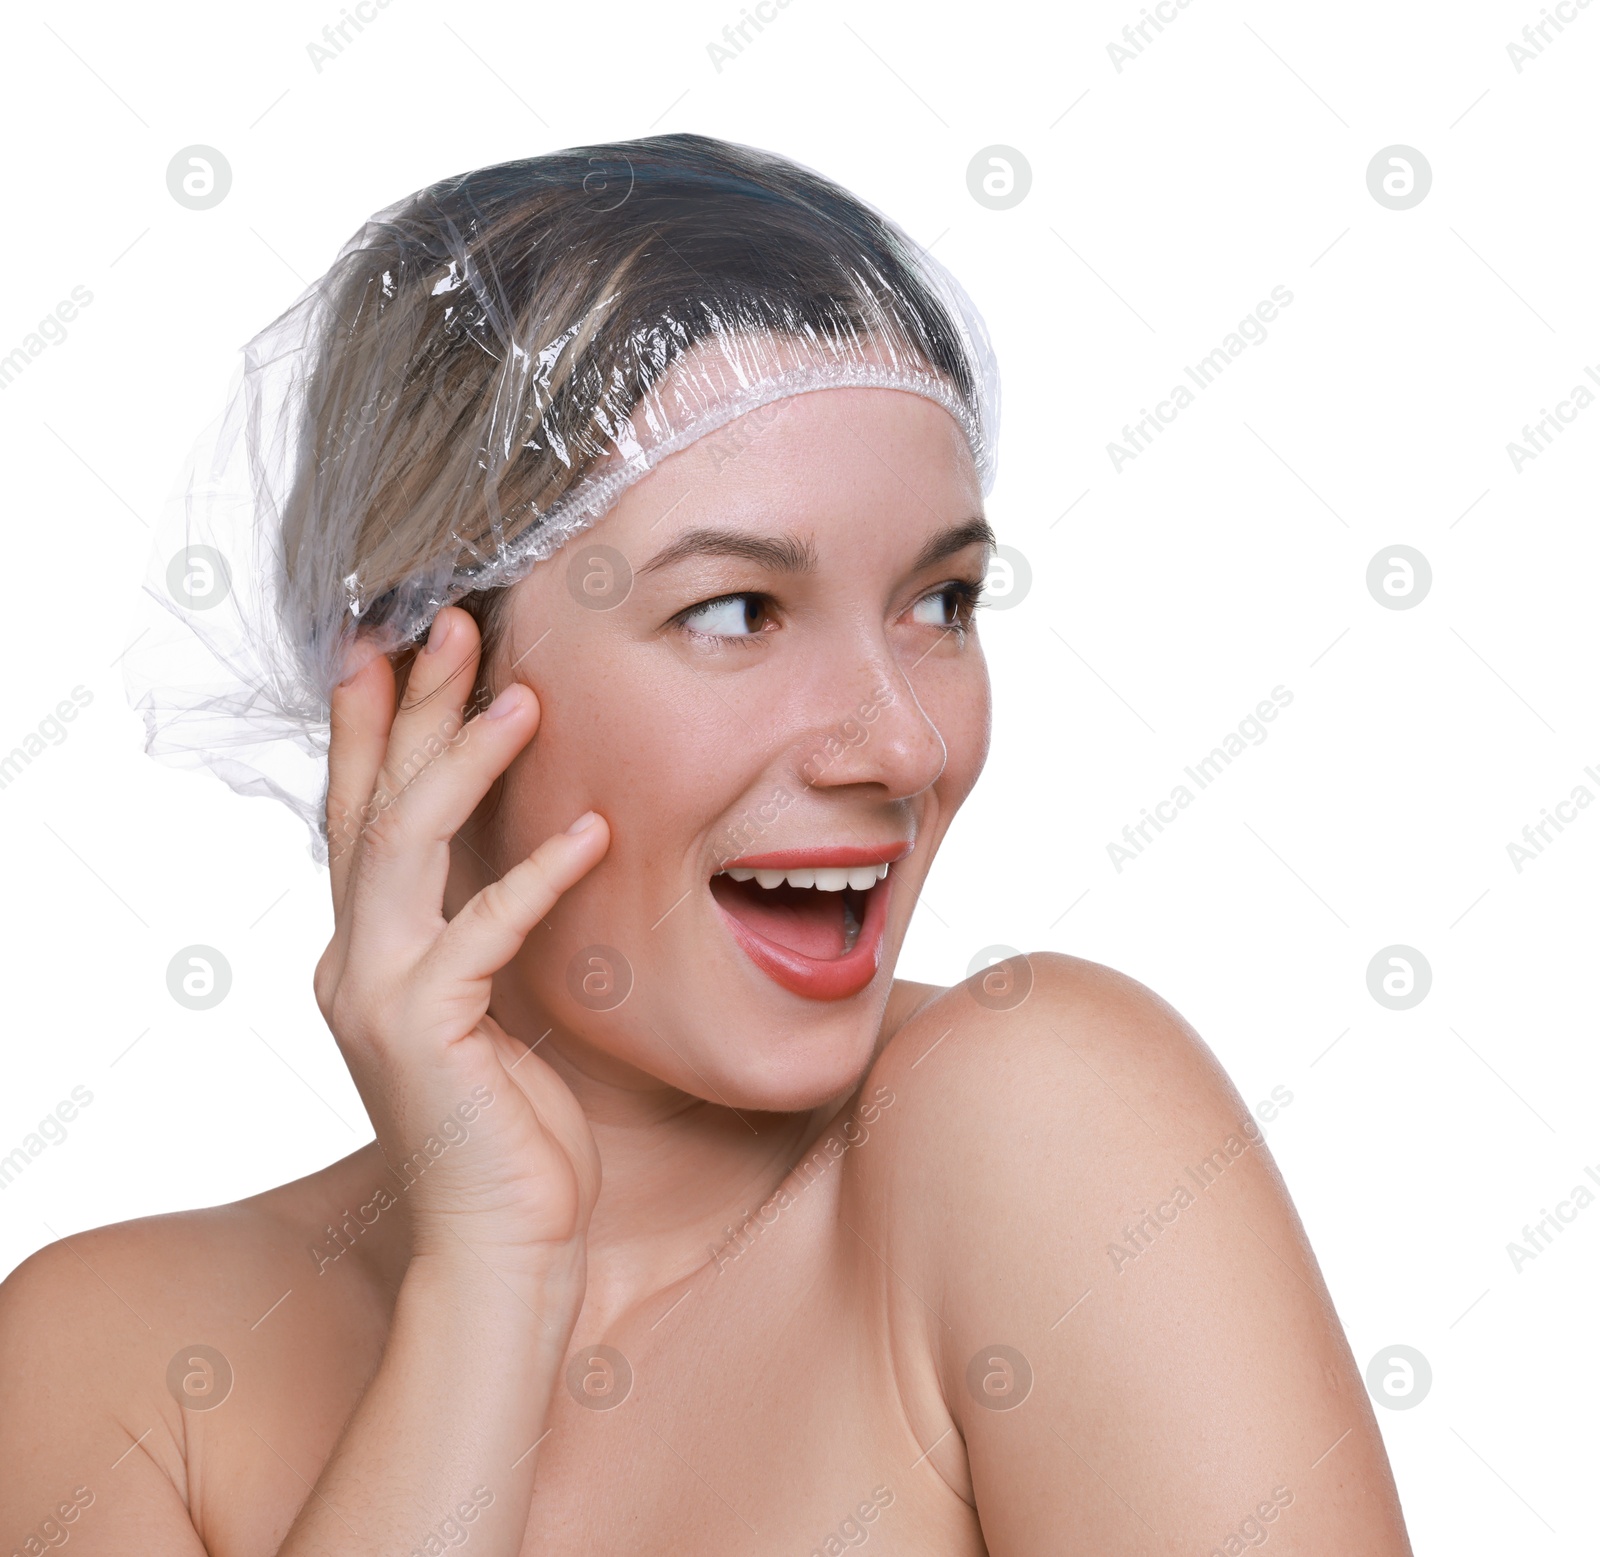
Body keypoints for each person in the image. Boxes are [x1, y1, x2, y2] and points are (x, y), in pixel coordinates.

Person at [0, 133, 1413, 1555]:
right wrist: (490, 1274)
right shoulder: (115, 1362)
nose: (903, 747)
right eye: (736, 610)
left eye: (941, 600)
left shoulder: (1038, 1126)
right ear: (425, 681)